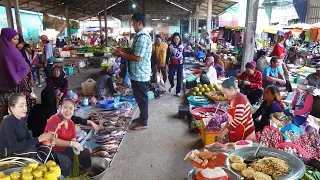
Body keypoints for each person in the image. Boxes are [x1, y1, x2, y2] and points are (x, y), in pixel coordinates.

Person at [112, 13, 152, 130]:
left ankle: (144, 122)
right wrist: (122, 49)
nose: (133, 25)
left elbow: (137, 57)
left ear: (139, 23)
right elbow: (133, 50)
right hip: (136, 73)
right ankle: (141, 117)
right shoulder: (139, 36)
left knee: (142, 98)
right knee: (139, 98)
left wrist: (122, 54)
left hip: (140, 73)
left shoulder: (143, 37)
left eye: (134, 23)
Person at [45, 99, 91, 177]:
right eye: (65, 107)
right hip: (51, 151)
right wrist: (71, 144)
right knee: (66, 161)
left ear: (73, 111)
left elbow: (73, 140)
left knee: (85, 152)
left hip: (64, 149)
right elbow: (51, 139)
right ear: (60, 108)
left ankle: (87, 173)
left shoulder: (71, 123)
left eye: (71, 108)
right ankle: (65, 177)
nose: (68, 110)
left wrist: (75, 147)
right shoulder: (54, 119)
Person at [28, 88, 99, 137]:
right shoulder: (51, 113)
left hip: (35, 135)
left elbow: (29, 125)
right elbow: (72, 118)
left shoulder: (35, 108)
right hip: (47, 138)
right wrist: (90, 122)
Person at [0, 93, 53, 158]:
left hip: (19, 150)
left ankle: (56, 166)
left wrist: (43, 141)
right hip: (8, 153)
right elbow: (14, 146)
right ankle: (42, 166)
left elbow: (29, 139)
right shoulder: (7, 122)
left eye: (25, 105)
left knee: (46, 148)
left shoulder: (22, 121)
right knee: (33, 150)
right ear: (12, 108)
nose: (25, 108)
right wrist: (38, 139)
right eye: (21, 106)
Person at [0, 28, 30, 118]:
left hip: (3, 86)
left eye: (17, 39)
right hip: (15, 84)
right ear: (7, 38)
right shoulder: (11, 51)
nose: (16, 42)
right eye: (14, 39)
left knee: (5, 108)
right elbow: (23, 66)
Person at [217, 77, 256, 143]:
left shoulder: (240, 99)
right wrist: (221, 132)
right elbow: (230, 119)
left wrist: (223, 133)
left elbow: (237, 120)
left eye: (225, 92)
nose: (224, 96)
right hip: (237, 131)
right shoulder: (231, 100)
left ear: (232, 88)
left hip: (246, 133)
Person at [167, 32, 184, 97]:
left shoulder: (182, 46)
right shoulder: (170, 46)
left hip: (180, 63)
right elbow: (167, 55)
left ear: (179, 39)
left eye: (177, 38)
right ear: (173, 39)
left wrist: (183, 64)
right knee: (170, 76)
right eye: (175, 38)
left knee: (179, 78)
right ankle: (172, 85)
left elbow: (183, 55)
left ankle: (178, 91)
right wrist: (166, 64)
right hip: (172, 63)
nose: (176, 40)